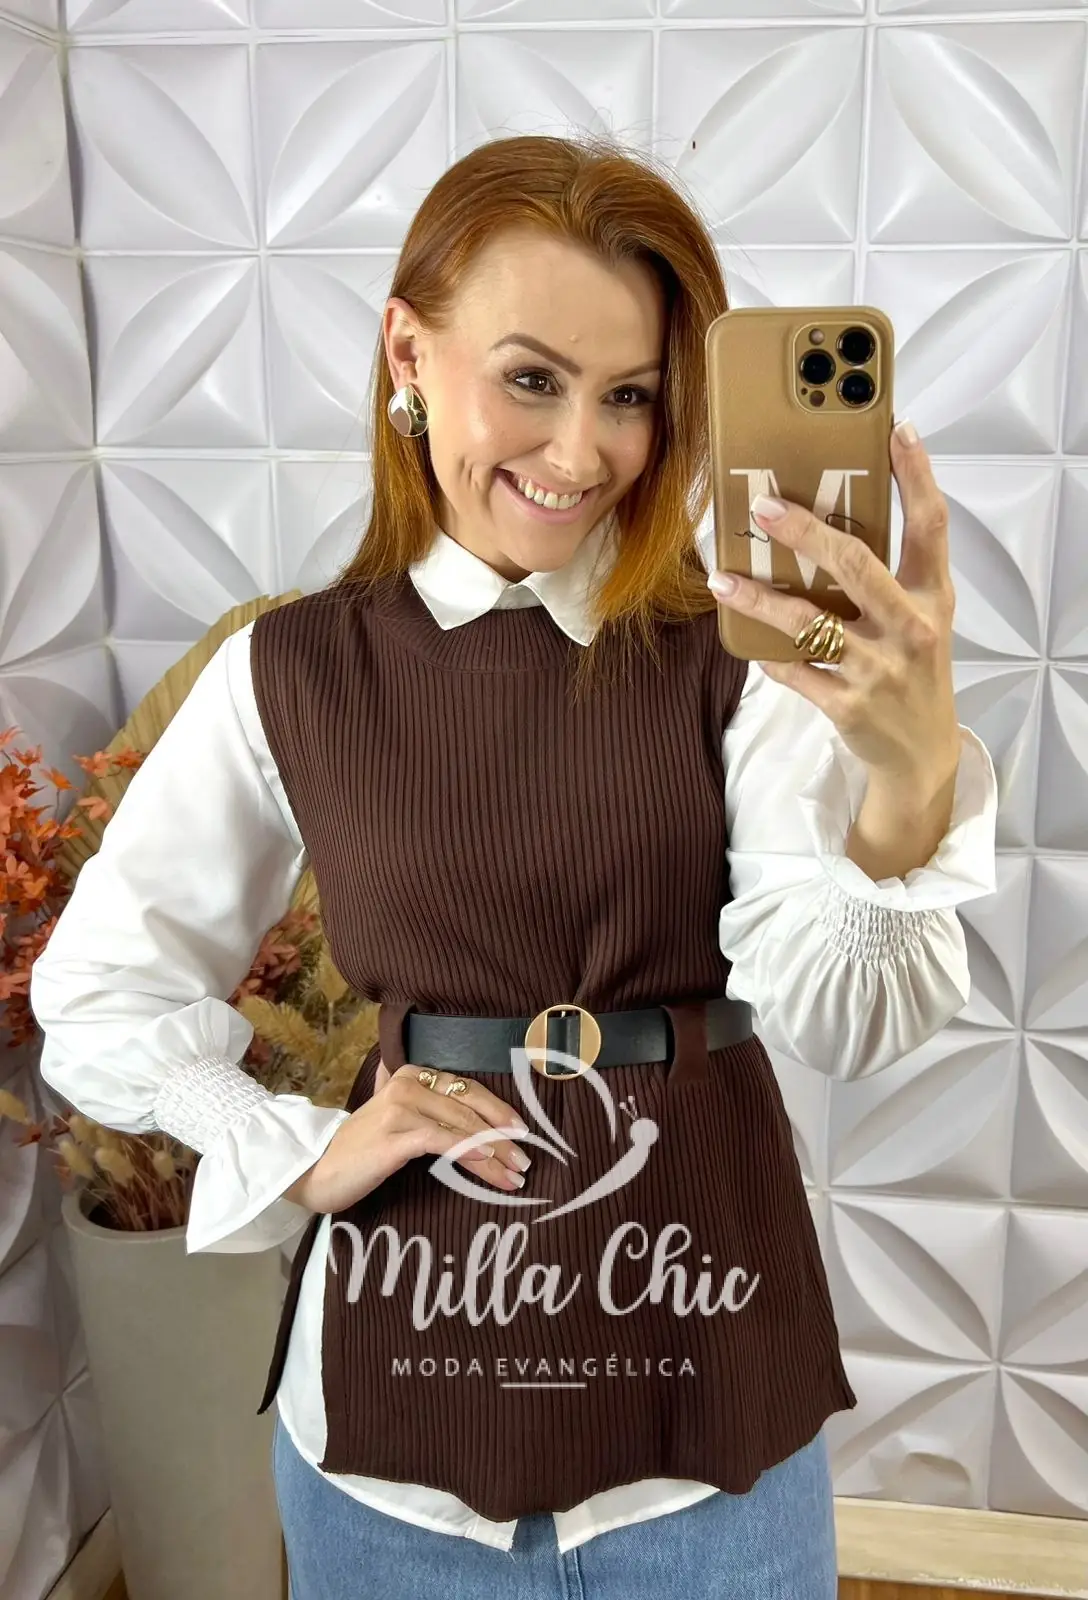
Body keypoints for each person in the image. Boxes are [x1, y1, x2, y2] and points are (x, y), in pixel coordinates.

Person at [30, 133, 998, 1599]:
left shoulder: (741, 657)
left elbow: (849, 1021)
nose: (580, 454)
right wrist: (296, 1148)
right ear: (407, 353)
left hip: (705, 1410)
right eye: (532, 379)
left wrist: (911, 775)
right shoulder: (291, 671)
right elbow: (101, 989)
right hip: (394, 1425)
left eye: (632, 397)